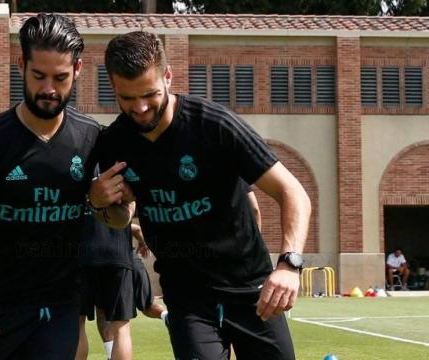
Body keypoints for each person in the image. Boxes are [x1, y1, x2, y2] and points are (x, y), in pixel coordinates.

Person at [89, 31, 311, 360]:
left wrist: (289, 265)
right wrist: (99, 202)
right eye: (127, 99)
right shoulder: (115, 143)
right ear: (113, 86)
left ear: (168, 76)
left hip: (249, 287)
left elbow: (292, 192)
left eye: (149, 94)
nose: (140, 108)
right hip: (187, 296)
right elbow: (121, 216)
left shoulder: (215, 126)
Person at [0, 13, 132, 359]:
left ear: (77, 69)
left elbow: (120, 219)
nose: (48, 89)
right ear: (20, 65)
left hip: (56, 312)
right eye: (38, 76)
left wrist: (103, 203)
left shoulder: (91, 139)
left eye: (60, 77)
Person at [76, 211, 136, 360]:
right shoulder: (125, 187)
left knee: (78, 324)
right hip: (117, 252)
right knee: (121, 326)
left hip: (83, 254)